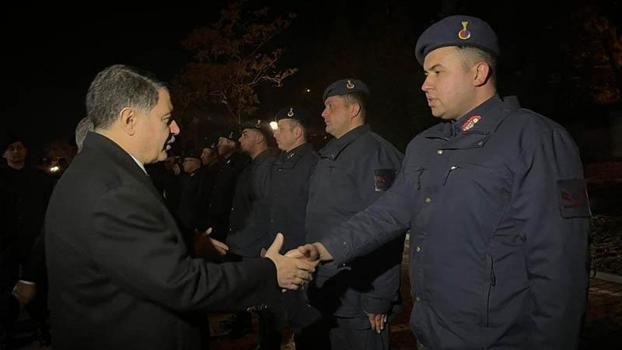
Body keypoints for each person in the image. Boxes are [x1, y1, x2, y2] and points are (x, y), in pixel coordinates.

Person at [296, 15, 591, 349]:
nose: (425, 84)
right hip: (432, 333)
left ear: (478, 73)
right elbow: (388, 212)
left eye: (438, 71)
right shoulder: (425, 146)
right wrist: (324, 249)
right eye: (425, 74)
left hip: (499, 339)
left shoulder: (533, 138)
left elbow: (559, 265)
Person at [44, 64, 317, 350]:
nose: (175, 129)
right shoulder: (113, 189)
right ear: (129, 120)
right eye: (166, 119)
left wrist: (186, 243)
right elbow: (182, 284)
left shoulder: (99, 170)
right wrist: (269, 272)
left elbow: (129, 252)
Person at [297, 79, 405, 350]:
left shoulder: (376, 154)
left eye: (330, 107)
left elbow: (388, 229)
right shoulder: (333, 153)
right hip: (330, 292)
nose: (323, 113)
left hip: (359, 299)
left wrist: (379, 299)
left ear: (354, 109)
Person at [259, 107, 320, 349]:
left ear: (297, 132)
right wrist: (266, 244)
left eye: (281, 129)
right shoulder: (279, 162)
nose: (276, 134)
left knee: (304, 321)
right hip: (277, 252)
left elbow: (314, 213)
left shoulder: (313, 164)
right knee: (274, 314)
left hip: (299, 253)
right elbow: (271, 208)